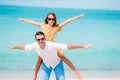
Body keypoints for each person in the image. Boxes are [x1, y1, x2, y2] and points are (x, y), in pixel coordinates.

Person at [18, 12, 85, 80]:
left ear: (55, 20)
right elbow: (32, 22)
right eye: (49, 19)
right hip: (43, 47)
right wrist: (23, 20)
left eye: (53, 19)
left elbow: (66, 21)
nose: (51, 21)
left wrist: (78, 17)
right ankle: (34, 77)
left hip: (52, 47)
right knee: (39, 61)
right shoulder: (42, 25)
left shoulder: (56, 27)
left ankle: (77, 73)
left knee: (63, 58)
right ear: (47, 19)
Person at [8, 31, 92, 80]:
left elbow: (68, 46)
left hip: (57, 64)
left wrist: (83, 46)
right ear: (36, 40)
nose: (40, 41)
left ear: (44, 38)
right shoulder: (34, 45)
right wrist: (15, 47)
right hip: (46, 65)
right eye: (38, 39)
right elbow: (24, 47)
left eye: (42, 39)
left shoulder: (52, 45)